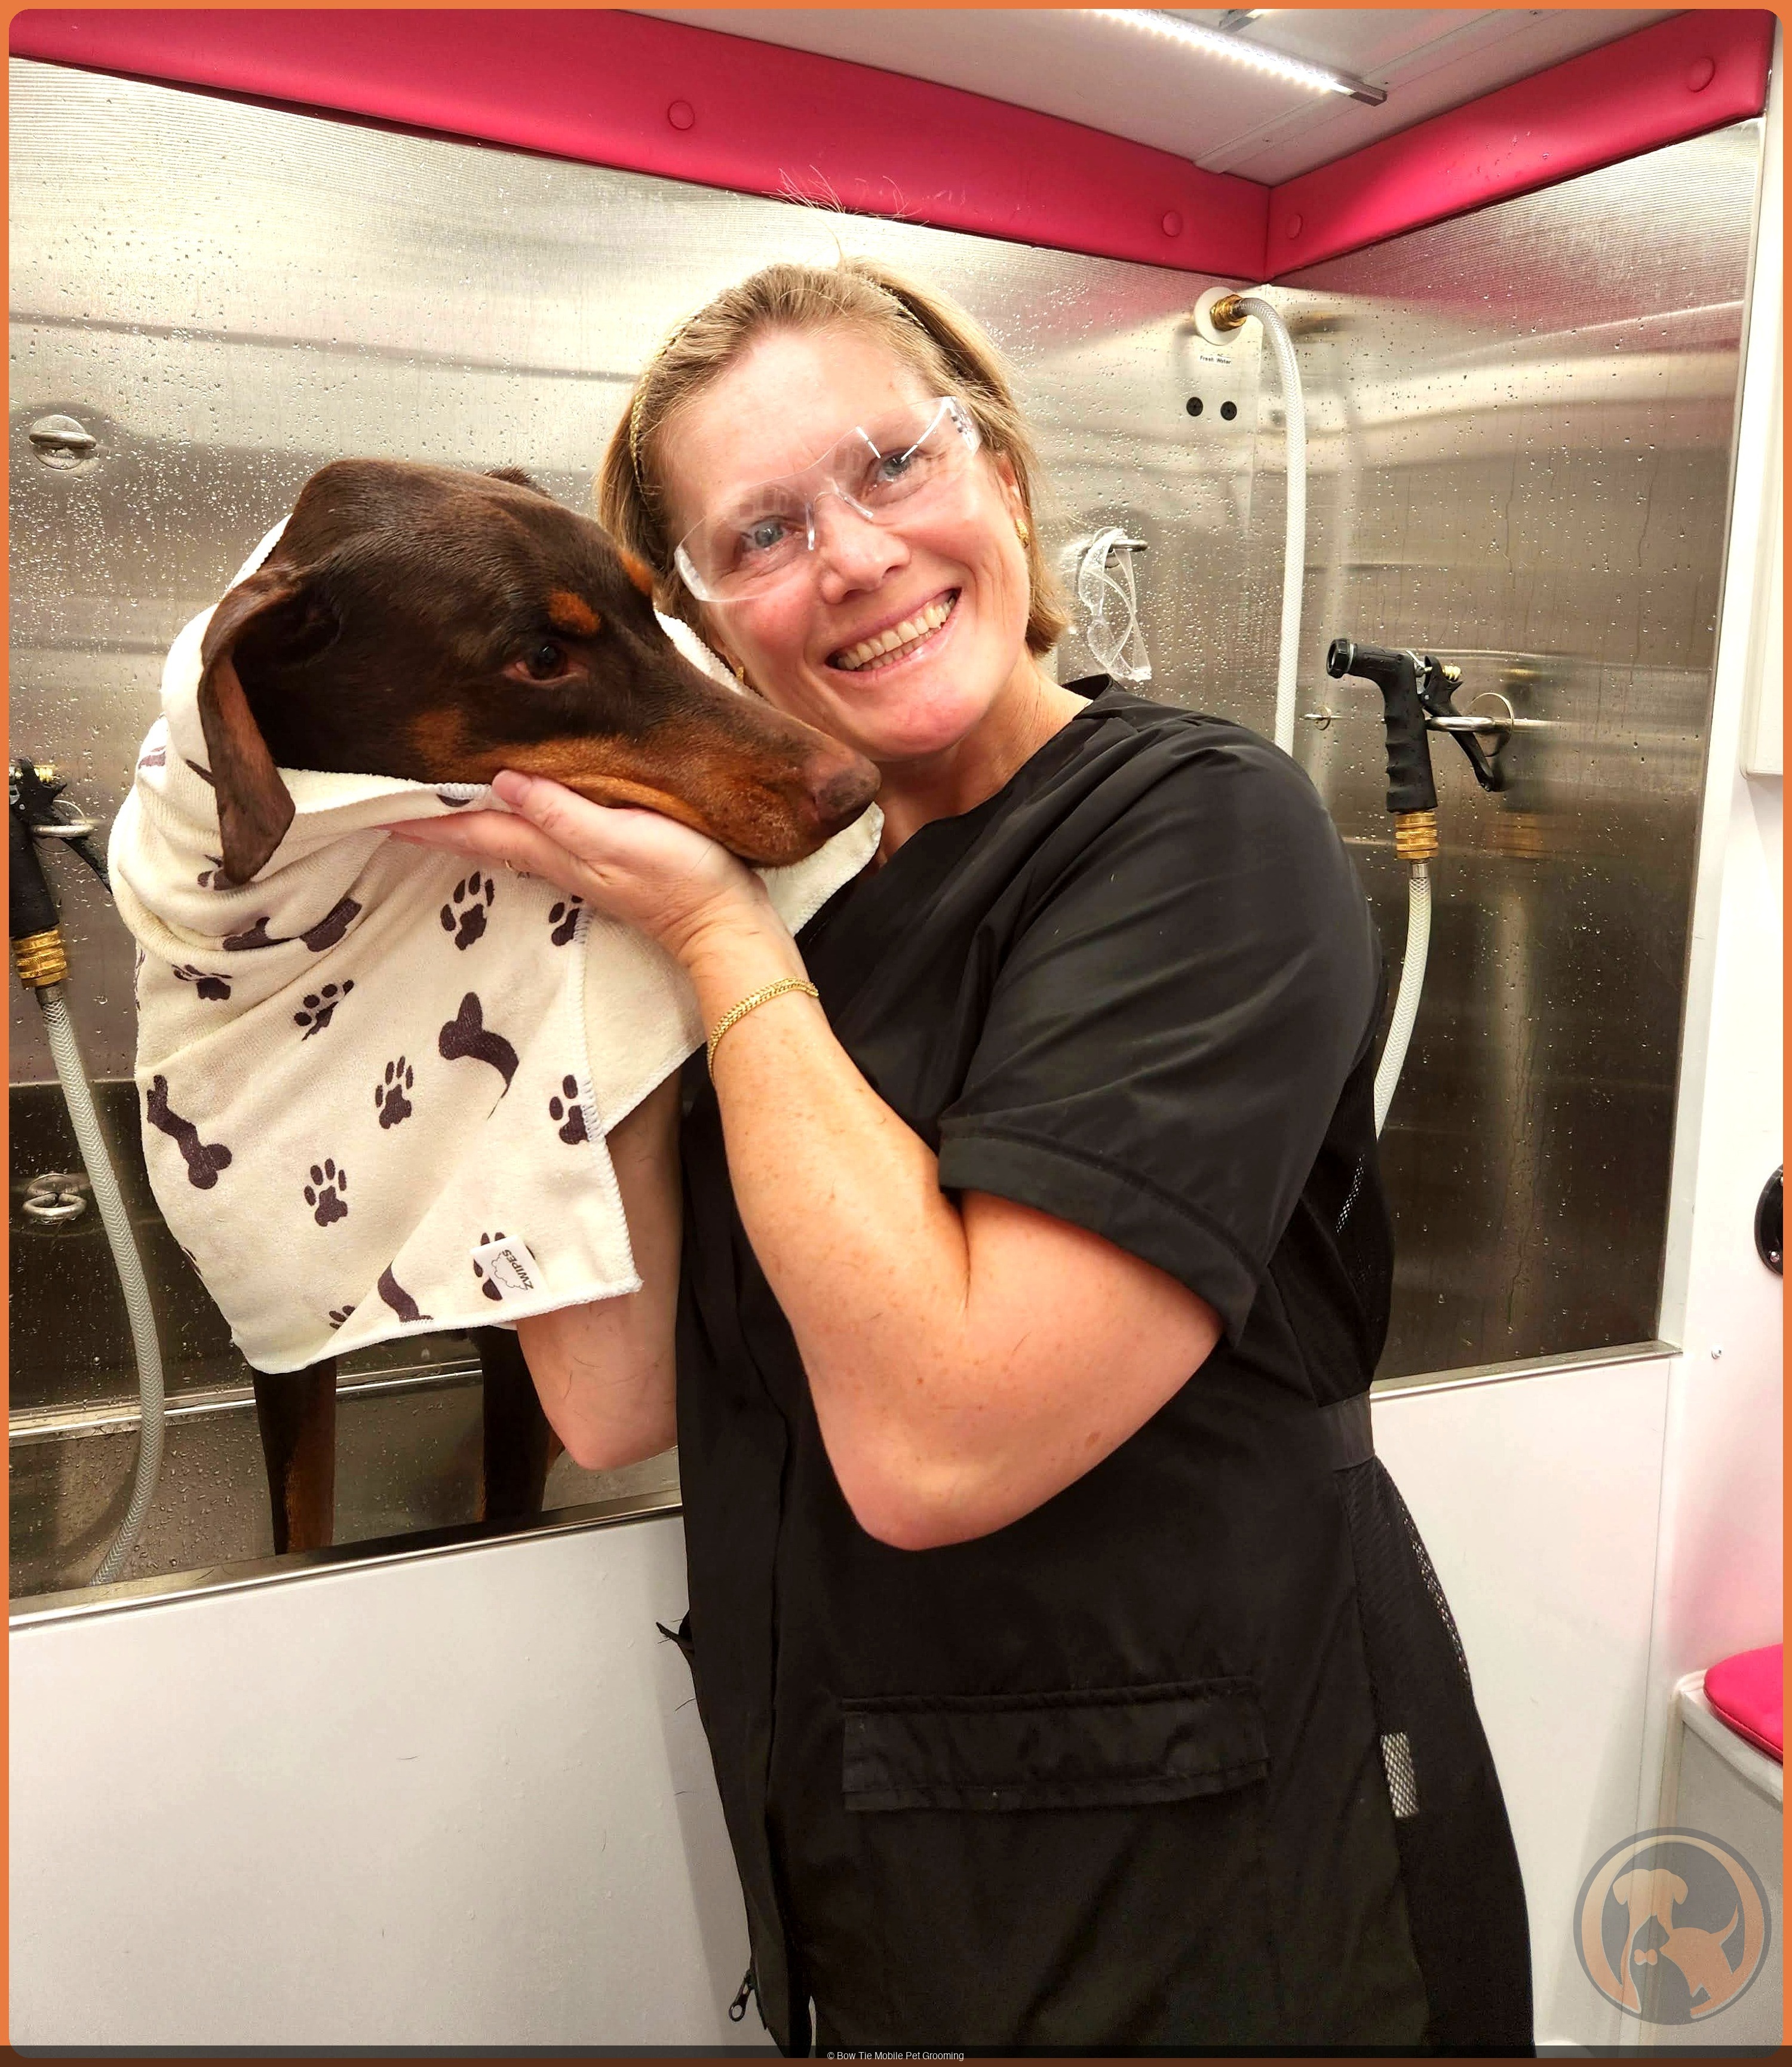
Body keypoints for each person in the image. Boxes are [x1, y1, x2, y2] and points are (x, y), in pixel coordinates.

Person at [391, 257, 1532, 2052]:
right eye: (760, 533)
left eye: (893, 465)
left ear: (998, 471)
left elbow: (944, 1442)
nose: (848, 555)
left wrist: (713, 948)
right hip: (893, 1892)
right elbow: (609, 1397)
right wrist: (561, 947)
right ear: (694, 628)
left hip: (1230, 1906)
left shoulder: (1194, 831)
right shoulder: (790, 905)